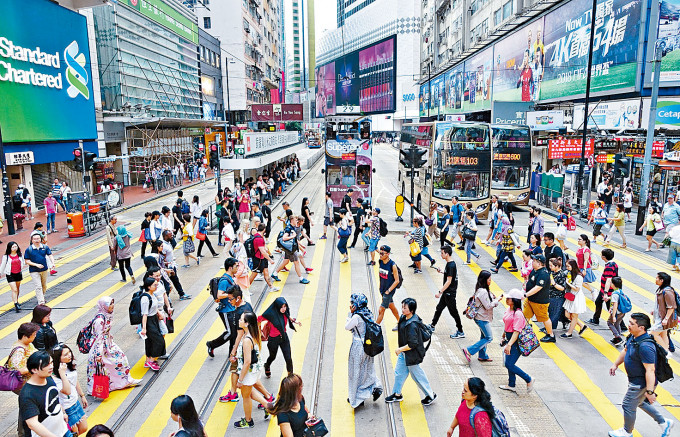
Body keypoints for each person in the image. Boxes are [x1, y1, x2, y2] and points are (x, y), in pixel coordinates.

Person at [607, 313, 674, 437]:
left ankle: (627, 432)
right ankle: (664, 422)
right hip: (635, 380)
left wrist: (649, 392)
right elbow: (625, 350)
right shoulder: (633, 337)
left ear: (641, 328)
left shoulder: (646, 346)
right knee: (639, 402)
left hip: (640, 383)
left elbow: (650, 370)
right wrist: (616, 364)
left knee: (628, 405)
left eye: (632, 323)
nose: (629, 325)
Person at [384, 298, 437, 405]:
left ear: (411, 310)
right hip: (405, 353)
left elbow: (413, 344)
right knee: (399, 373)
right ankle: (396, 394)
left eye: (405, 308)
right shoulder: (405, 318)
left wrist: (400, 349)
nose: (402, 309)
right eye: (402, 307)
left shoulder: (412, 325)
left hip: (412, 355)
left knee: (417, 376)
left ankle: (430, 395)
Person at [87, 296, 141, 394]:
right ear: (104, 306)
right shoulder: (99, 320)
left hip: (108, 343)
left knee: (120, 360)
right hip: (101, 347)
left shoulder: (107, 314)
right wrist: (98, 354)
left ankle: (123, 382)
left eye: (112, 303)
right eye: (110, 304)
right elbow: (98, 337)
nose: (112, 306)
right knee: (102, 367)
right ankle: (98, 389)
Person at [233, 311, 272, 429]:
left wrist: (240, 380)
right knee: (249, 392)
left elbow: (247, 362)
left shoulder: (246, 340)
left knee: (245, 396)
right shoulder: (252, 334)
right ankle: (268, 406)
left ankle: (248, 421)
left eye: (241, 319)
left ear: (246, 323)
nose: (239, 321)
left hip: (248, 372)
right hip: (254, 370)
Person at [18, 351, 70, 437]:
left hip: (63, 430)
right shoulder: (27, 394)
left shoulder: (48, 378)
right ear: (34, 370)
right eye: (46, 365)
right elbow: (32, 424)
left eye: (51, 362)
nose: (51, 366)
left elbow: (55, 398)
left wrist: (63, 412)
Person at [345, 293, 383, 408]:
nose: (351, 305)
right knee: (367, 369)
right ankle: (375, 386)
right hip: (368, 346)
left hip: (358, 346)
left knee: (355, 372)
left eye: (352, 303)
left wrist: (350, 313)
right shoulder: (368, 313)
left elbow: (347, 327)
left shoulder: (356, 316)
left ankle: (357, 398)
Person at [499, 289, 534, 393]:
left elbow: (516, 331)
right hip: (510, 338)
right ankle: (511, 384)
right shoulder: (509, 309)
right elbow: (507, 325)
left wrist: (509, 345)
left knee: (509, 364)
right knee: (509, 362)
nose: (506, 299)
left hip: (516, 341)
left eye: (509, 298)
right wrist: (503, 336)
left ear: (514, 300)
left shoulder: (518, 314)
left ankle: (528, 379)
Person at [462, 271, 500, 364]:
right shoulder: (483, 291)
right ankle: (469, 350)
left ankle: (482, 356)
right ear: (484, 280)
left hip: (482, 317)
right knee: (489, 337)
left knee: (484, 336)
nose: (490, 281)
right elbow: (488, 306)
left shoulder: (481, 289)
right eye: (489, 279)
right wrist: (497, 301)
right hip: (482, 318)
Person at [51, 343, 88, 435]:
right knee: (73, 432)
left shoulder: (69, 366)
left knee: (84, 428)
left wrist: (82, 395)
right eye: (65, 354)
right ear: (58, 358)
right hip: (66, 408)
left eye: (69, 352)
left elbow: (75, 381)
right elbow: (67, 391)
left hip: (75, 403)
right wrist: (62, 374)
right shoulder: (55, 376)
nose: (69, 355)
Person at [259, 297, 301, 378]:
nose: (283, 309)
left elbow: (287, 315)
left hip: (284, 337)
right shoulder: (270, 314)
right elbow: (258, 319)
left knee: (288, 358)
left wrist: (294, 320)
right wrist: (259, 329)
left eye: (285, 306)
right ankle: (267, 365)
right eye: (281, 307)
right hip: (273, 340)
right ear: (277, 307)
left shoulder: (285, 312)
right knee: (272, 356)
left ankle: (290, 377)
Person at [430, 245, 464, 339]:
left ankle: (460, 331)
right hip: (447, 293)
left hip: (449, 293)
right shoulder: (450, 264)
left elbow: (449, 281)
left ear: (447, 254)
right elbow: (450, 276)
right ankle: (432, 326)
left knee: (453, 312)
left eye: (442, 253)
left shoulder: (451, 265)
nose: (441, 254)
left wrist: (440, 292)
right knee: (439, 308)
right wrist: (442, 272)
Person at [524, 254, 556, 342]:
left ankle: (551, 335)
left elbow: (538, 287)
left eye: (534, 261)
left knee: (544, 318)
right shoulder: (535, 270)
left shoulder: (543, 274)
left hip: (539, 301)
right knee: (526, 316)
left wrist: (526, 295)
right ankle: (522, 331)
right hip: (531, 299)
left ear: (539, 263)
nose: (532, 262)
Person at [271, 216, 310, 285]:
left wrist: (299, 245)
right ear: (292, 220)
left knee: (285, 261)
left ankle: (275, 273)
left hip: (290, 248)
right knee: (296, 262)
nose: (297, 221)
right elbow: (284, 238)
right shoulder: (289, 228)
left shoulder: (292, 227)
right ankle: (301, 278)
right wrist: (293, 236)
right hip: (290, 249)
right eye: (296, 220)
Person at [139, 277, 166, 371]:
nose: (156, 286)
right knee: (159, 341)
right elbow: (144, 314)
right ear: (149, 286)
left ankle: (148, 360)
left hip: (154, 319)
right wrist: (144, 328)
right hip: (149, 321)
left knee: (150, 341)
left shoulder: (152, 294)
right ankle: (151, 360)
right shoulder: (145, 298)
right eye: (155, 285)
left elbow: (154, 307)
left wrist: (159, 314)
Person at [588, 248, 619, 327]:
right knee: (598, 302)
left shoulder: (609, 267)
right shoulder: (613, 264)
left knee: (611, 308)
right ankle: (595, 319)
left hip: (608, 291)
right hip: (604, 290)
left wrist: (605, 293)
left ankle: (621, 325)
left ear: (604, 257)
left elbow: (608, 280)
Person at [650, 272, 678, 351]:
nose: (655, 279)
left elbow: (671, 307)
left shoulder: (667, 292)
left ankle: (665, 351)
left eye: (657, 278)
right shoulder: (662, 289)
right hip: (660, 317)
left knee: (653, 334)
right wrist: (654, 311)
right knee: (663, 334)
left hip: (663, 319)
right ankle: (666, 351)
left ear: (661, 280)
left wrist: (666, 319)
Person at [247, 223, 278, 292]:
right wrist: (270, 259)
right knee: (254, 274)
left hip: (262, 259)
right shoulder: (259, 239)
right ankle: (245, 289)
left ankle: (271, 286)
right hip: (258, 259)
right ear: (264, 230)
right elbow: (263, 251)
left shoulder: (258, 236)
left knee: (266, 272)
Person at [376, 245, 401, 330]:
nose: (380, 255)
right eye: (380, 253)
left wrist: (388, 291)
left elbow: (397, 280)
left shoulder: (392, 265)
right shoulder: (381, 262)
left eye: (382, 253)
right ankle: (400, 322)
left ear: (388, 254)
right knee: (391, 306)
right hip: (382, 290)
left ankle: (374, 328)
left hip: (388, 291)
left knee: (381, 309)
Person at [562, 259, 588, 338]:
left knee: (574, 316)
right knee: (567, 314)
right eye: (566, 266)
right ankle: (581, 325)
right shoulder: (570, 273)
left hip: (576, 297)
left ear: (573, 266)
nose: (567, 268)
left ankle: (569, 333)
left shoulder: (579, 276)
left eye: (568, 266)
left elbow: (577, 288)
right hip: (571, 296)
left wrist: (568, 283)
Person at [1, 241, 25, 312]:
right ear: (10, 248)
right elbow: (2, 266)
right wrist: (0, 273)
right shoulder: (6, 257)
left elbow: (23, 262)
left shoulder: (20, 254)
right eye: (13, 247)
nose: (15, 248)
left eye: (16, 246)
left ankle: (16, 300)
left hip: (18, 273)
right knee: (14, 289)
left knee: (17, 288)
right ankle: (16, 304)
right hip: (10, 274)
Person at [547, 257, 569, 332]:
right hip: (551, 295)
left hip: (558, 297)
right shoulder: (553, 273)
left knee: (554, 314)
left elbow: (562, 288)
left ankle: (550, 328)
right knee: (552, 312)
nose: (550, 267)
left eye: (551, 266)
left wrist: (554, 283)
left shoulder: (561, 275)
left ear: (556, 266)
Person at [606, 277, 628, 346]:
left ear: (613, 284)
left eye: (611, 283)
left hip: (617, 312)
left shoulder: (614, 294)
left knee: (609, 323)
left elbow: (615, 304)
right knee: (617, 324)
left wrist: (613, 315)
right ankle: (617, 338)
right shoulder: (619, 291)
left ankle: (618, 337)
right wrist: (609, 298)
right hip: (622, 311)